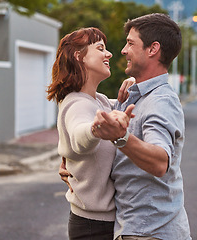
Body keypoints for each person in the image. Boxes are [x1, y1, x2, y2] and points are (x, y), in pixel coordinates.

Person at [92, 13, 192, 240]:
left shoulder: (160, 101)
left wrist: (122, 138)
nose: (123, 50)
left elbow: (160, 162)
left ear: (152, 49)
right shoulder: (136, 94)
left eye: (130, 43)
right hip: (138, 228)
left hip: (151, 232)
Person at [46, 27, 134, 240]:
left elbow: (125, 110)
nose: (109, 54)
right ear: (79, 57)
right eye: (100, 48)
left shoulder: (100, 100)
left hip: (108, 221)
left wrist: (136, 85)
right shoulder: (75, 103)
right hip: (92, 227)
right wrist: (96, 129)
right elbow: (80, 137)